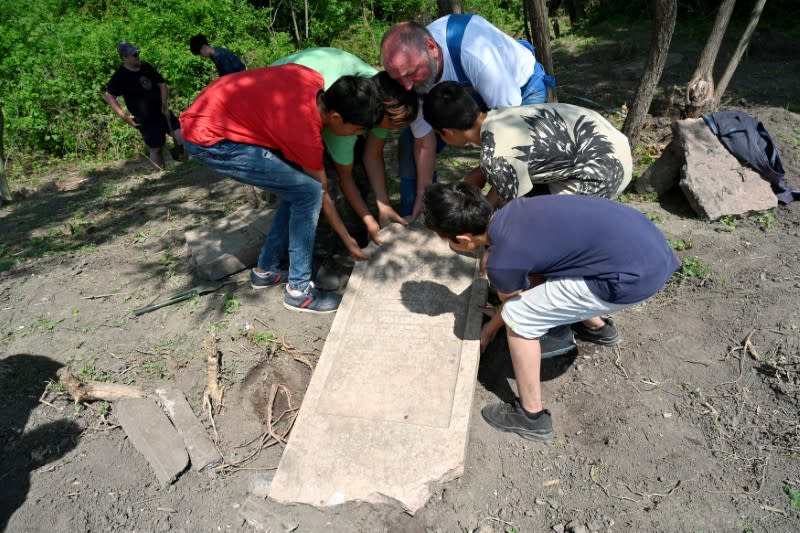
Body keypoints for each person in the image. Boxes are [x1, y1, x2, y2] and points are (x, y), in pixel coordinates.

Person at [422, 182, 679, 441]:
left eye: (444, 238)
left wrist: (490, 328)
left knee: (519, 317)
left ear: (464, 239)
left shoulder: (504, 262)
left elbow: (513, 305)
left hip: (629, 280)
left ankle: (531, 416)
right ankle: (599, 329)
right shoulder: (517, 208)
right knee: (557, 264)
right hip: (650, 249)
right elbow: (539, 265)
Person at [180, 64, 383, 313]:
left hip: (212, 110)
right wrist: (348, 240)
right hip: (211, 139)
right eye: (358, 129)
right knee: (307, 192)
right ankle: (298, 291)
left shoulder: (311, 78)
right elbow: (321, 193)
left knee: (295, 187)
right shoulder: (304, 133)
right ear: (336, 117)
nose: (359, 134)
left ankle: (266, 270)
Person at [381, 14, 555, 219]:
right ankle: (421, 214)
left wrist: (473, 187)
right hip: (473, 94)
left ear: (431, 47)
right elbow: (424, 142)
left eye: (411, 73)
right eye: (399, 78)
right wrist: (423, 194)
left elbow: (510, 139)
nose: (407, 86)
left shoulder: (476, 53)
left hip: (520, 91)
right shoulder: (414, 75)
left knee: (527, 166)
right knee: (409, 144)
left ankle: (526, 220)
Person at [272, 48, 418, 247]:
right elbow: (344, 176)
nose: (393, 130)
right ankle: (325, 245)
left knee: (357, 170)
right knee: (316, 186)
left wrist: (384, 205)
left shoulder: (382, 91)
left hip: (317, 76)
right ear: (376, 115)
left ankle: (363, 226)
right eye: (392, 125)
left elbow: (372, 156)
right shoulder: (344, 116)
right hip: (280, 106)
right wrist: (368, 220)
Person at [423, 82, 632, 204]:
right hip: (615, 146)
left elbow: (512, 210)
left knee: (531, 227)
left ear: (448, 132)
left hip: (604, 174)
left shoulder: (495, 157)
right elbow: (504, 175)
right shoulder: (502, 114)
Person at [104, 41, 184, 169]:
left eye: (137, 53)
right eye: (134, 55)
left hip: (162, 112)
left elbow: (162, 84)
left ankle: (185, 164)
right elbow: (109, 96)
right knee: (156, 148)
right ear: (125, 57)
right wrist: (124, 117)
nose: (137, 56)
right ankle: (160, 175)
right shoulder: (120, 76)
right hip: (145, 119)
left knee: (181, 137)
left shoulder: (146, 67)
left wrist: (164, 102)